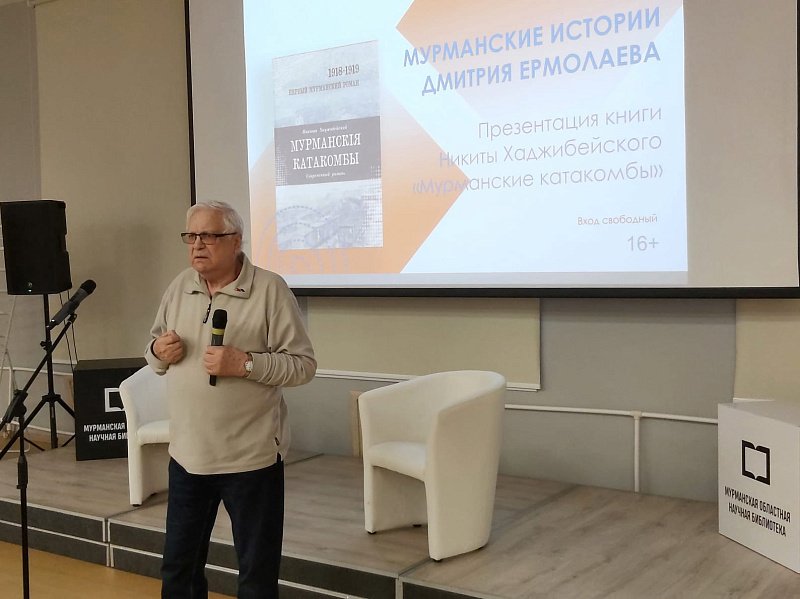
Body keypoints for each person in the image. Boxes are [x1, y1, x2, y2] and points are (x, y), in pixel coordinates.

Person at [145, 201, 316, 598]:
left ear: (236, 240)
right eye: (191, 236)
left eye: (208, 236)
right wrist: (157, 352)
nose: (197, 245)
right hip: (188, 456)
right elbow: (153, 349)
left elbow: (303, 366)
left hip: (250, 459)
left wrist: (246, 364)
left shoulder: (270, 290)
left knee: (256, 576)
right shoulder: (179, 286)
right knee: (178, 571)